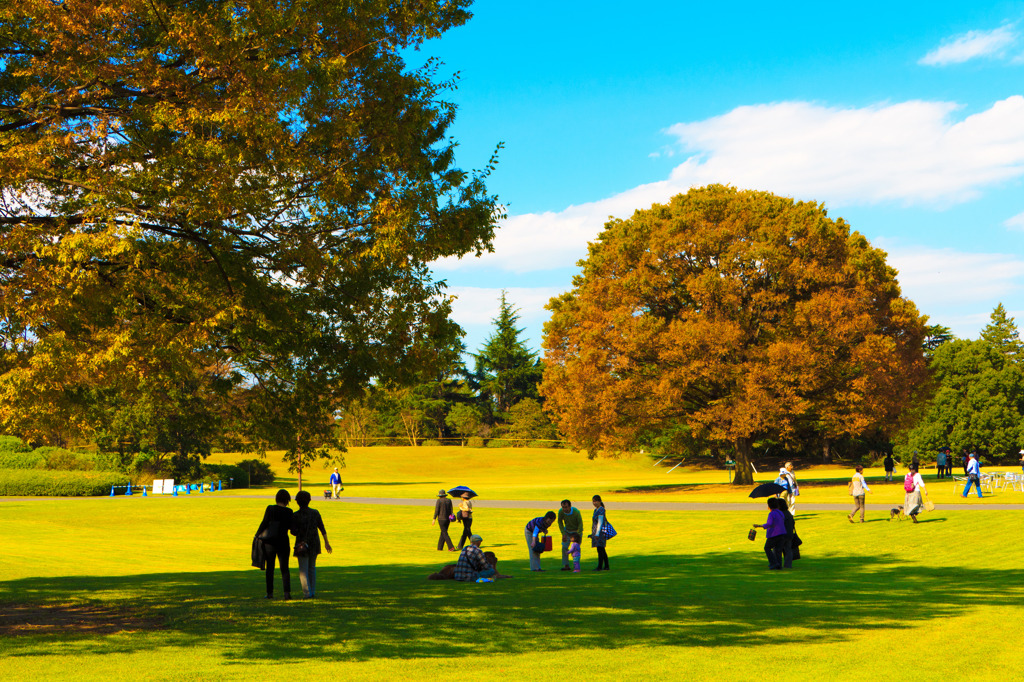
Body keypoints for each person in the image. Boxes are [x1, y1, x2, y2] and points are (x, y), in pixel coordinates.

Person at [290, 489, 332, 599]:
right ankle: (312, 591)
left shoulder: (295, 515)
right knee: (312, 568)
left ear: (297, 501)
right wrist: (326, 543)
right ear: (309, 500)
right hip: (314, 543)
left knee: (303, 570)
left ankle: (307, 593)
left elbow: (293, 532)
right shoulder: (315, 513)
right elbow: (322, 528)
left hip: (301, 545)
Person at [255, 489, 294, 599]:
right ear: (287, 500)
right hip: (283, 542)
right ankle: (287, 593)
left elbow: (264, 522)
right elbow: (291, 528)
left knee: (270, 568)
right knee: (284, 568)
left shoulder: (270, 509)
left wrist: (257, 534)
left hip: (270, 542)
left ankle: (269, 593)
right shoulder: (289, 512)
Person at [753, 498, 787, 569]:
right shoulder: (780, 512)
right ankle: (779, 565)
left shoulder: (772, 514)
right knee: (778, 550)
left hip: (774, 533)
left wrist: (760, 526)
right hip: (782, 533)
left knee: (767, 548)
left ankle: (773, 562)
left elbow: (770, 523)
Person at [556, 499, 584, 571]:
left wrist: (578, 535)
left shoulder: (576, 512)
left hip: (576, 532)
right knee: (564, 547)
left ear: (570, 506)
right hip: (567, 531)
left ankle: (576, 566)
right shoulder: (561, 512)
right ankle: (566, 565)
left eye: (566, 507)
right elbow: (559, 521)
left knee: (576, 549)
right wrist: (563, 533)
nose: (564, 509)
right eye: (563, 507)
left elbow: (580, 523)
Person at [589, 495, 610, 571]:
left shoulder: (601, 510)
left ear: (599, 501)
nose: (594, 503)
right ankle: (606, 566)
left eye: (596, 501)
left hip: (600, 533)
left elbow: (600, 522)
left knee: (600, 549)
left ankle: (600, 566)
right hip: (597, 532)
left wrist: (597, 534)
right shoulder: (596, 510)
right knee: (601, 549)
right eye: (593, 501)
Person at [777, 498, 799, 568]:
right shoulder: (788, 513)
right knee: (788, 550)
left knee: (777, 550)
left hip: (782, 534)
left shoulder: (780, 514)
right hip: (789, 534)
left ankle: (777, 564)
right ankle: (788, 565)